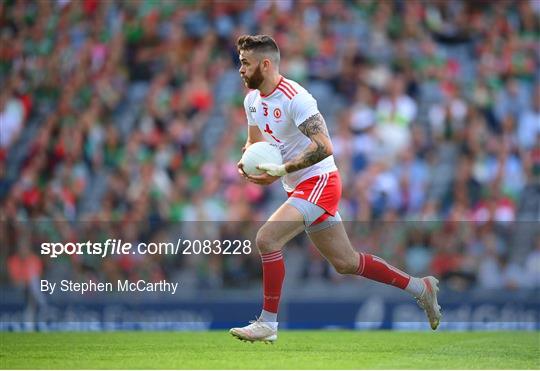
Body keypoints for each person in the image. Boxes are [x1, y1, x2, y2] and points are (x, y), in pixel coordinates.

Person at [230, 35, 441, 343]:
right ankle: (421, 288)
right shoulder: (251, 101)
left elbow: (325, 146)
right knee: (346, 262)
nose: (240, 70)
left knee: (267, 238)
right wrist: (247, 162)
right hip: (298, 186)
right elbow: (254, 142)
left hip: (320, 182)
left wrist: (283, 169)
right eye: (239, 63)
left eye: (245, 63)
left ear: (265, 64)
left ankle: (268, 323)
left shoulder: (296, 98)